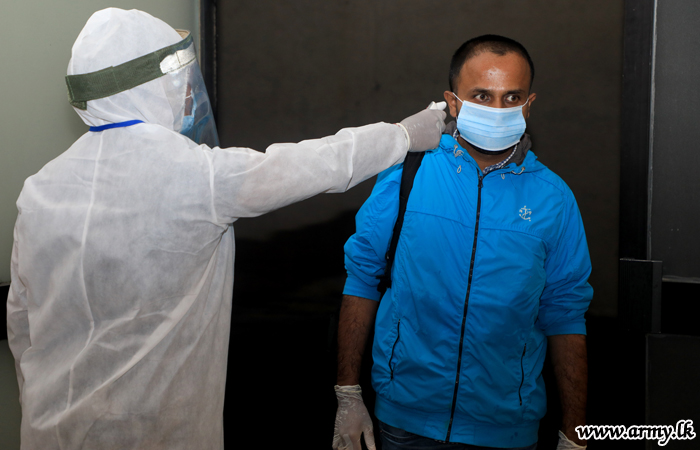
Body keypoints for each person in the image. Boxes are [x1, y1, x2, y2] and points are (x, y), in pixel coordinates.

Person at [5, 8, 446, 449]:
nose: (186, 96)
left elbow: (21, 323)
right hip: (151, 433)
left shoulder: (40, 188)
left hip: (49, 429)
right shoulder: (195, 175)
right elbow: (316, 163)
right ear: (152, 87)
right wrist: (402, 136)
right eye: (178, 84)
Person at [333, 35, 592, 450]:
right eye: (482, 96)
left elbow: (566, 315)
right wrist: (348, 393)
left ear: (529, 105)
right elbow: (363, 278)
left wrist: (575, 434)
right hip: (405, 421)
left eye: (512, 97)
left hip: (506, 430)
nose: (498, 110)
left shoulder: (553, 199)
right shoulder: (406, 174)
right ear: (453, 103)